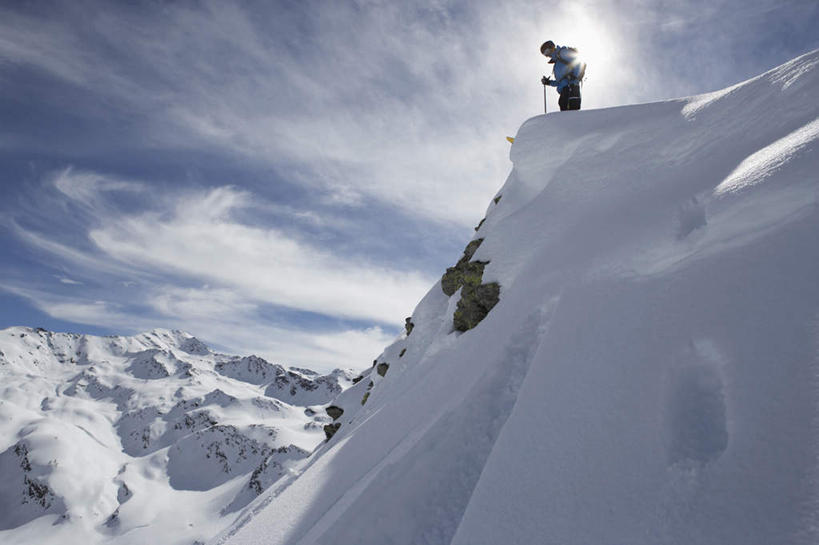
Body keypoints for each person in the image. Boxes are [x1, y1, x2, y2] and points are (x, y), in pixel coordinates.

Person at [540, 40, 585, 111]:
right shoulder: (557, 63)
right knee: (563, 109)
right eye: (545, 54)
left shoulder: (563, 53)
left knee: (572, 109)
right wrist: (548, 82)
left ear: (552, 47)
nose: (547, 55)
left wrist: (575, 77)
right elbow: (559, 82)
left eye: (547, 51)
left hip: (571, 86)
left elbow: (579, 62)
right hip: (564, 90)